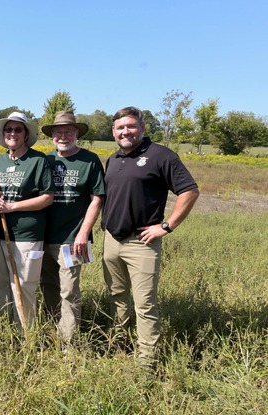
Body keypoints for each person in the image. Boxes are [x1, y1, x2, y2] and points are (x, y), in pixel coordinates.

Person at [101, 106, 199, 370]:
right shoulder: (112, 160)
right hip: (111, 240)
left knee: (144, 304)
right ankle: (118, 345)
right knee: (117, 296)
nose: (126, 131)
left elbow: (189, 191)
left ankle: (147, 364)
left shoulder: (160, 156)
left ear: (142, 128)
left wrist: (166, 226)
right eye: (120, 128)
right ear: (113, 132)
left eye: (131, 126)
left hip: (142, 243)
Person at [0, 111, 54, 333]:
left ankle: (25, 335)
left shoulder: (38, 161)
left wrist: (12, 207)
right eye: (8, 129)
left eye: (17, 129)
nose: (12, 133)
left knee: (23, 286)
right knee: (0, 283)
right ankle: (4, 332)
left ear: (25, 134)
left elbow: (47, 197)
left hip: (26, 235)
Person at [40, 111, 105, 343]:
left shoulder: (90, 160)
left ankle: (68, 342)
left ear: (77, 133)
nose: (63, 136)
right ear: (52, 136)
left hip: (72, 239)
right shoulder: (45, 160)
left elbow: (97, 198)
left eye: (68, 131)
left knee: (69, 290)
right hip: (44, 237)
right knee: (48, 286)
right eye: (58, 131)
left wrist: (84, 233)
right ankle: (52, 332)